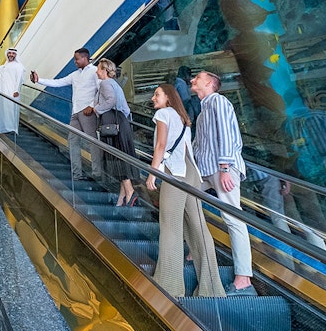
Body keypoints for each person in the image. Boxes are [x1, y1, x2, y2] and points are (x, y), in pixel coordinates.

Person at [146, 83, 226, 298]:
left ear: (168, 97)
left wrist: (153, 172)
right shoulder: (182, 118)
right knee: (198, 226)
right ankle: (212, 289)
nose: (153, 98)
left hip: (175, 171)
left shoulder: (163, 114)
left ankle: (169, 285)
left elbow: (160, 146)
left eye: (157, 94)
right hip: (191, 171)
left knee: (170, 225)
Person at [191, 70, 255, 296]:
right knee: (185, 200)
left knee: (232, 217)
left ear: (208, 83)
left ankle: (244, 279)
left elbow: (228, 135)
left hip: (221, 169)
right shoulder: (203, 111)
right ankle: (195, 251)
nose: (192, 81)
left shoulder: (218, 102)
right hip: (207, 172)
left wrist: (226, 168)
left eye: (196, 78)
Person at [30, 48, 102, 180]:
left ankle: (97, 172)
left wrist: (91, 105)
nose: (75, 61)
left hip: (87, 112)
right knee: (72, 141)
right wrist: (39, 80)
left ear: (85, 58)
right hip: (75, 112)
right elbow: (58, 82)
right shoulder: (75, 75)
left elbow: (101, 90)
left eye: (77, 59)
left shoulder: (94, 71)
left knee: (93, 142)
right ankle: (76, 174)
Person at [93, 58, 139, 206]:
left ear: (105, 71)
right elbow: (125, 108)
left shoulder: (105, 83)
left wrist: (97, 109)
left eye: (99, 69)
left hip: (113, 126)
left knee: (117, 159)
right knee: (121, 158)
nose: (96, 71)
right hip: (121, 124)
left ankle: (130, 192)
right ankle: (121, 199)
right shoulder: (115, 84)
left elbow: (111, 101)